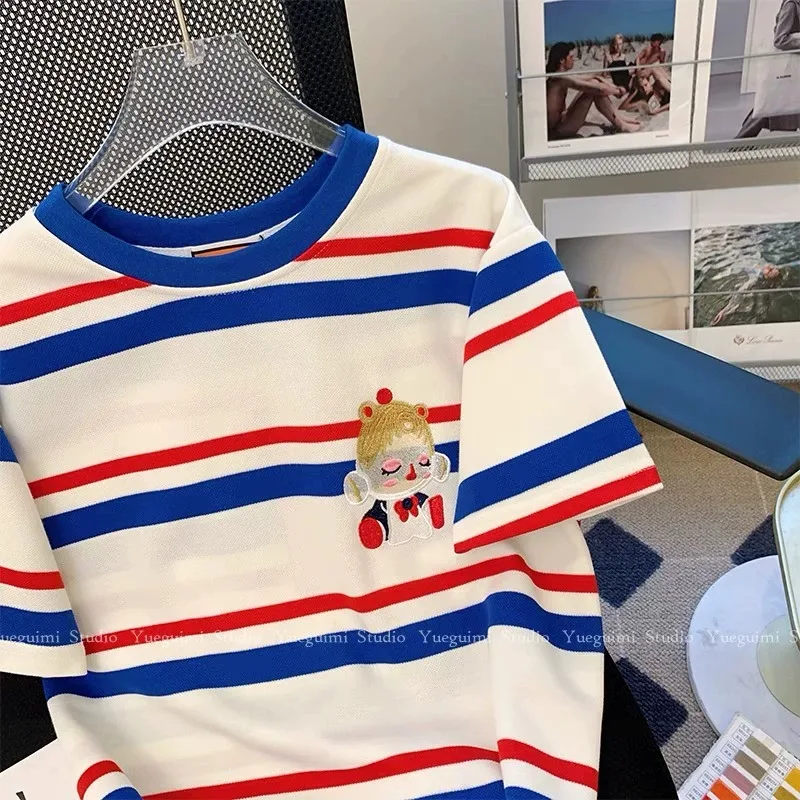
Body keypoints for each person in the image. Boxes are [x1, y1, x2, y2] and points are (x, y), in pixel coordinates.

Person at [546, 41, 642, 139]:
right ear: (562, 60)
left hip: (563, 119)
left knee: (594, 82)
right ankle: (620, 124)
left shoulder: (558, 75)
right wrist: (617, 91)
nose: (573, 59)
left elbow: (592, 77)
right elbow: (600, 89)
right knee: (594, 90)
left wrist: (611, 86)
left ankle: (620, 118)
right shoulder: (560, 79)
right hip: (559, 130)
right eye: (571, 57)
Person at [735, 0, 800, 138]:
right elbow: (780, 40)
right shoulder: (791, 6)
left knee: (773, 106)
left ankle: (740, 143)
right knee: (768, 107)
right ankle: (738, 144)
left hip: (794, 69)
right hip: (789, 68)